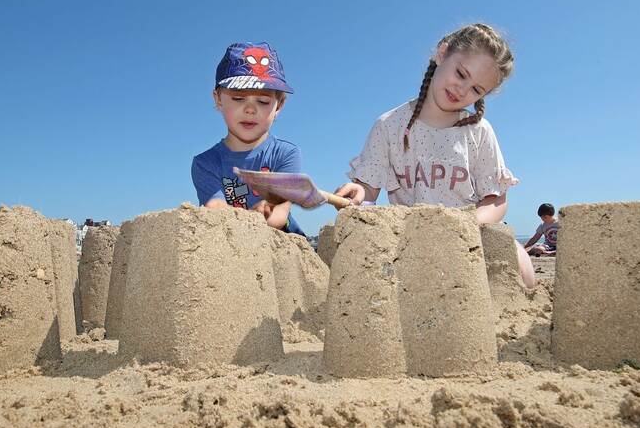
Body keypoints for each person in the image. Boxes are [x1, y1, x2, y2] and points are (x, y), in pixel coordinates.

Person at [334, 23, 535, 288]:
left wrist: (464, 225)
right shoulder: (389, 125)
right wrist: (357, 193)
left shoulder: (479, 131)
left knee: (522, 266)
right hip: (408, 237)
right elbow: (367, 189)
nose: (463, 90)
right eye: (461, 74)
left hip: (469, 234)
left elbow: (496, 201)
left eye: (476, 90)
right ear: (441, 54)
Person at [191, 41, 305, 235]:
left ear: (278, 106)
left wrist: (269, 209)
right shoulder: (206, 163)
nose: (250, 109)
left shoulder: (286, 155)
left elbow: (279, 214)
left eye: (262, 101)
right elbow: (216, 211)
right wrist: (252, 216)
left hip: (281, 251)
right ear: (218, 99)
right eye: (238, 98)